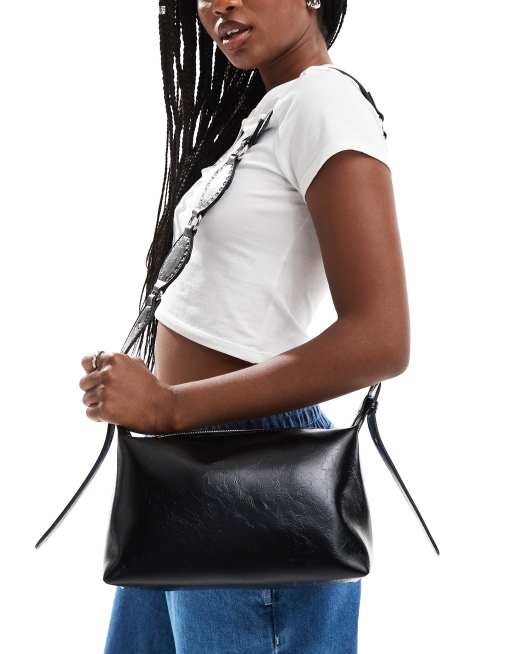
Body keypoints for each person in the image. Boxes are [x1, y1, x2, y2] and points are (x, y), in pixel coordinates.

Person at [78, 1, 409, 652]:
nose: (214, 5)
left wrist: (172, 405)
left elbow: (382, 338)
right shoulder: (269, 113)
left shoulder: (324, 104)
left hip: (251, 477)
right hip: (182, 473)